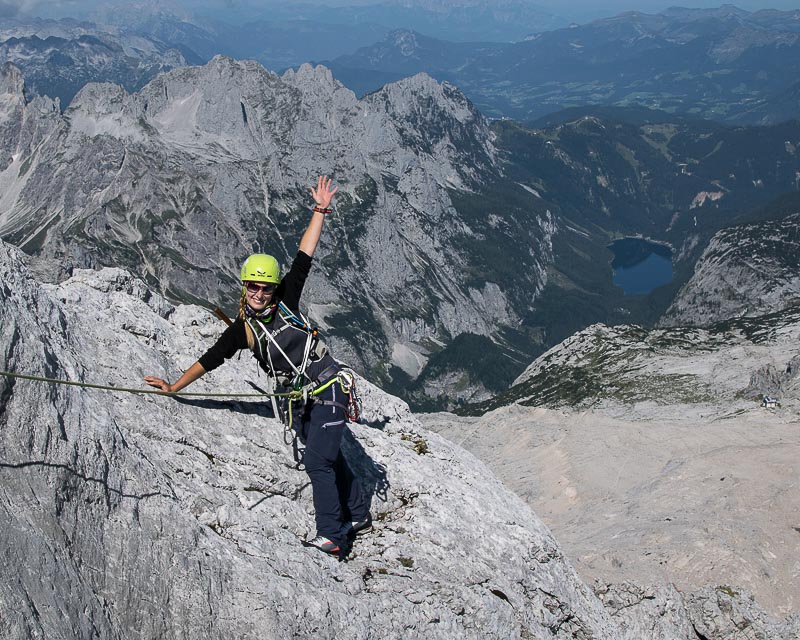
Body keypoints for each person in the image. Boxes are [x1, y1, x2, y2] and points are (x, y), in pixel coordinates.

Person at [145, 176, 371, 555]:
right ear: (244, 286)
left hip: (328, 387)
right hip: (300, 401)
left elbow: (305, 256)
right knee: (327, 453)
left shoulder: (286, 300)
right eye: (253, 286)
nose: (260, 293)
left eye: (265, 288)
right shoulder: (243, 330)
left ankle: (332, 534)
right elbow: (210, 360)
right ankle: (358, 512)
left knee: (318, 461)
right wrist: (174, 387)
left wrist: (320, 210)